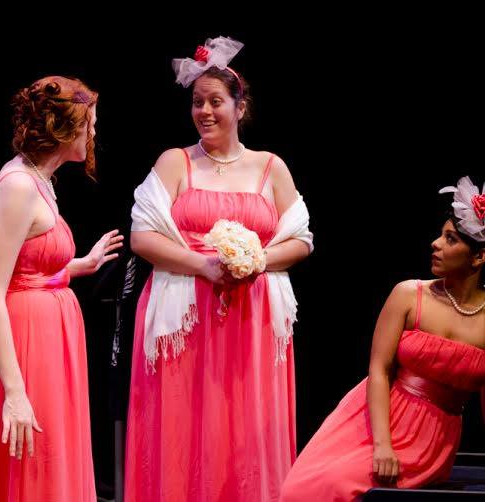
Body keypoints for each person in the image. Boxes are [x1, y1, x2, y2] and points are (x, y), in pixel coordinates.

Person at [125, 37, 314, 501]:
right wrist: (203, 266)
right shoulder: (175, 162)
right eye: (197, 102)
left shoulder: (270, 167)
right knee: (181, 421)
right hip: (185, 315)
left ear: (240, 106)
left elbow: (302, 239)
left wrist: (256, 261)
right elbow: (142, 237)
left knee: (242, 424)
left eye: (215, 102)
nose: (204, 112)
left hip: (250, 319)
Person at [280, 176, 485, 501]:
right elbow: (379, 370)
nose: (436, 244)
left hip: (430, 438)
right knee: (301, 490)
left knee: (341, 489)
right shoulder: (408, 295)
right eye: (441, 235)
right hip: (373, 418)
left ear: (479, 258)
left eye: (450, 239)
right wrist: (382, 444)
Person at [0, 75, 123, 501]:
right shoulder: (16, 187)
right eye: (90, 124)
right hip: (25, 346)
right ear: (66, 130)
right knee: (29, 462)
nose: (93, 133)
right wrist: (15, 393)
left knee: (50, 455)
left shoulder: (39, 180)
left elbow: (27, 269)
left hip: (49, 342)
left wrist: (77, 266)